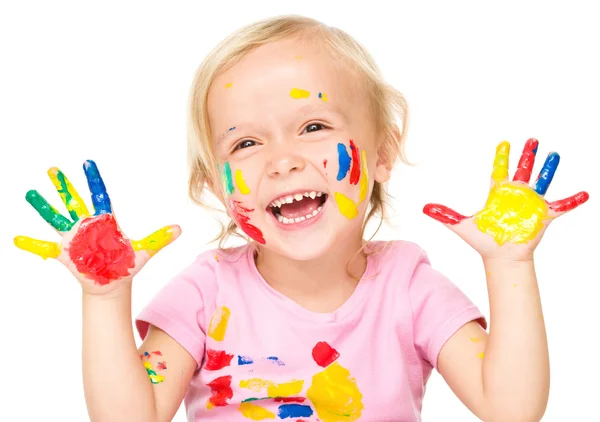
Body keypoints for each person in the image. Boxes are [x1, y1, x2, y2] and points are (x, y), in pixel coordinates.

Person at [14, 14, 589, 422]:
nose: (283, 160)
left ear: (383, 152)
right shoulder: (205, 292)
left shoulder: (410, 289)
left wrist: (509, 264)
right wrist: (105, 298)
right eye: (245, 144)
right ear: (213, 185)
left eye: (313, 127)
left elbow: (512, 409)